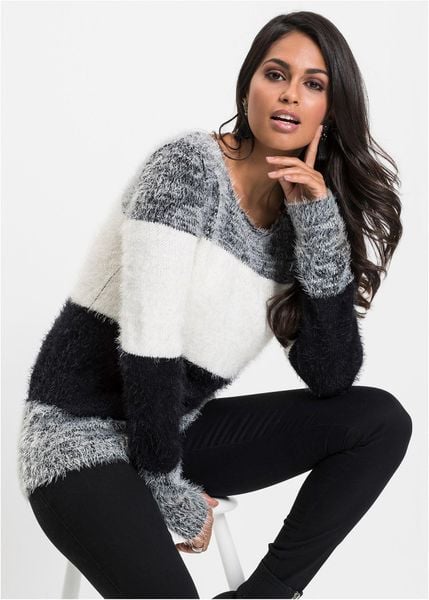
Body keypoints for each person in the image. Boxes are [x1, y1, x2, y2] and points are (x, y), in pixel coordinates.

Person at [17, 10, 412, 600]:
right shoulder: (186, 168)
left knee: (379, 420)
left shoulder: (299, 219)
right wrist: (164, 484)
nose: (290, 93)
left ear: (330, 111)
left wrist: (317, 222)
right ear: (248, 86)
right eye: (276, 74)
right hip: (77, 438)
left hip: (172, 431)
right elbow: (150, 341)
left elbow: (330, 376)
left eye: (313, 83)